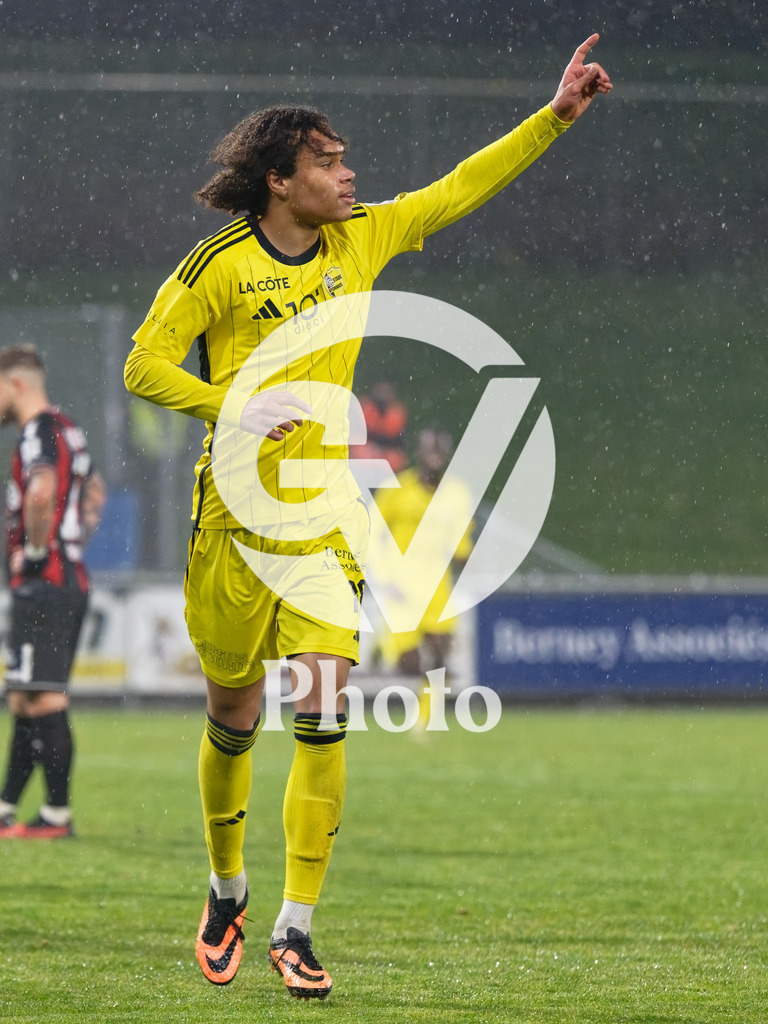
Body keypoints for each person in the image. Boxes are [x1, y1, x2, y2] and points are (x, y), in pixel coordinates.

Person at [124, 35, 611, 999]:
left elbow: (459, 187)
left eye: (346, 160)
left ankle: (296, 929)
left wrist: (552, 120)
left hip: (323, 522)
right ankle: (227, 891)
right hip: (231, 520)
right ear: (279, 181)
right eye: (329, 163)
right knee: (231, 714)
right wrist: (234, 403)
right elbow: (144, 363)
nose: (350, 176)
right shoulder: (216, 265)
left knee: (323, 709)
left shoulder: (365, 238)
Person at [0, 344, 106, 840]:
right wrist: (75, 537)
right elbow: (95, 491)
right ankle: (7, 808)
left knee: (42, 698)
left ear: (15, 384)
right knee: (23, 696)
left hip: (46, 583)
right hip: (65, 578)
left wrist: (41, 550)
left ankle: (56, 817)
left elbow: (42, 491)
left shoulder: (37, 432)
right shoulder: (67, 428)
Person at [371, 428, 472, 678]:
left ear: (447, 455)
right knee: (409, 665)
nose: (435, 457)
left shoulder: (457, 493)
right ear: (419, 453)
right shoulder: (396, 489)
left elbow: (461, 541)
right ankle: (381, 652)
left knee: (440, 658)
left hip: (436, 587)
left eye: (440, 451)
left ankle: (433, 713)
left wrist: (467, 560)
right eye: (430, 451)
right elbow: (371, 532)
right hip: (401, 587)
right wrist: (383, 577)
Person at [356, 380, 408, 473]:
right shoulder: (365, 409)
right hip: (367, 446)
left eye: (386, 391)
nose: (383, 394)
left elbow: (397, 441)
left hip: (388, 449)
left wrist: (381, 450)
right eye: (380, 390)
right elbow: (357, 435)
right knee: (363, 453)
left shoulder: (397, 413)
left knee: (396, 459)